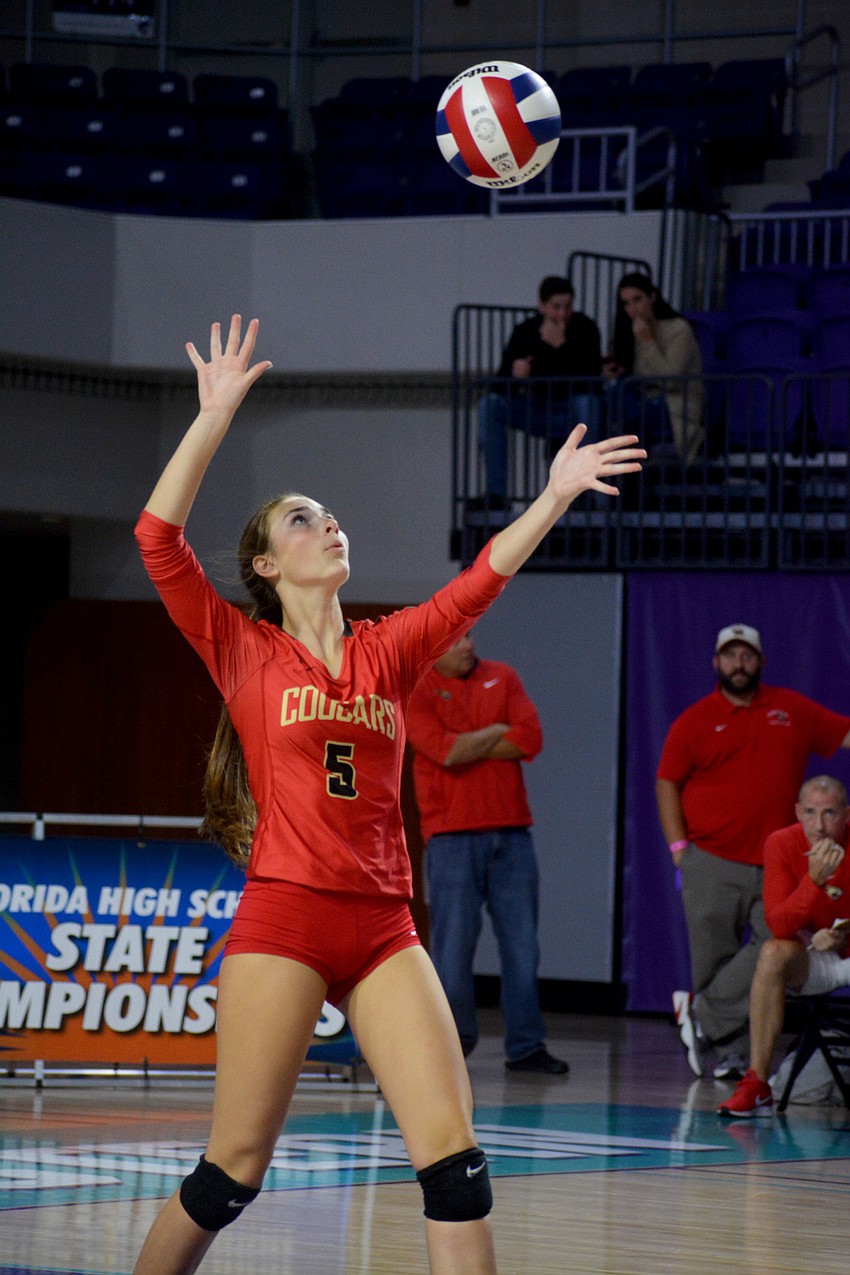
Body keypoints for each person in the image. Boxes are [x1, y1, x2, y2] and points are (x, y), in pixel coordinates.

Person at [131, 314, 644, 1275]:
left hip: (384, 926)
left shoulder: (387, 649)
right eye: (301, 518)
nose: (328, 523)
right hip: (284, 918)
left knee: (456, 1167)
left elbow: (478, 583)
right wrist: (211, 419)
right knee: (231, 1172)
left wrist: (556, 495)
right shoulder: (244, 650)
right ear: (265, 567)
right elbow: (157, 539)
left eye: (330, 514)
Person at [656, 622, 850, 1083]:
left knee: (775, 948)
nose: (738, 664)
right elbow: (667, 781)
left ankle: (700, 1014)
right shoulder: (696, 719)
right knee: (713, 956)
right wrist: (680, 848)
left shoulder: (791, 709)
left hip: (779, 862)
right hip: (712, 860)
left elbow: (843, 734)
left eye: (747, 656)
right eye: (730, 655)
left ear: (761, 662)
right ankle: (733, 1056)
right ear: (716, 663)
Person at [406, 632, 568, 1075]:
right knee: (452, 947)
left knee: (523, 946)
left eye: (471, 636)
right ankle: (452, 1042)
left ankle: (526, 1044)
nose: (469, 645)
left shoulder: (503, 676)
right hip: (451, 838)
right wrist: (498, 732)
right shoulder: (417, 690)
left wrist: (471, 742)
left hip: (513, 834)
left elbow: (530, 739)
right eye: (457, 640)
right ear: (433, 652)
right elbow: (443, 750)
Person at [718, 775, 850, 1117]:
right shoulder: (781, 843)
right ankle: (757, 1084)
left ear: (846, 815)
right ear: (796, 812)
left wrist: (843, 935)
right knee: (773, 952)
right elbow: (779, 925)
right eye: (809, 812)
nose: (819, 826)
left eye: (830, 813)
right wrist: (814, 881)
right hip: (818, 955)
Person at [477, 275, 603, 502]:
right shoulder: (526, 331)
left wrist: (562, 346)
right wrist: (516, 375)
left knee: (588, 404)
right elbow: (501, 385)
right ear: (542, 306)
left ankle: (587, 494)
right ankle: (496, 493)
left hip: (573, 411)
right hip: (535, 408)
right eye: (556, 307)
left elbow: (592, 378)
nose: (562, 314)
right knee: (489, 406)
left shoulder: (585, 328)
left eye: (568, 307)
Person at [604, 272, 704, 464]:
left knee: (623, 409)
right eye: (626, 303)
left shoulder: (678, 329)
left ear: (652, 297)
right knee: (610, 398)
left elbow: (671, 381)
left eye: (637, 300)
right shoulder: (628, 332)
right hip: (642, 402)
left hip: (675, 405)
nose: (633, 308)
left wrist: (647, 341)